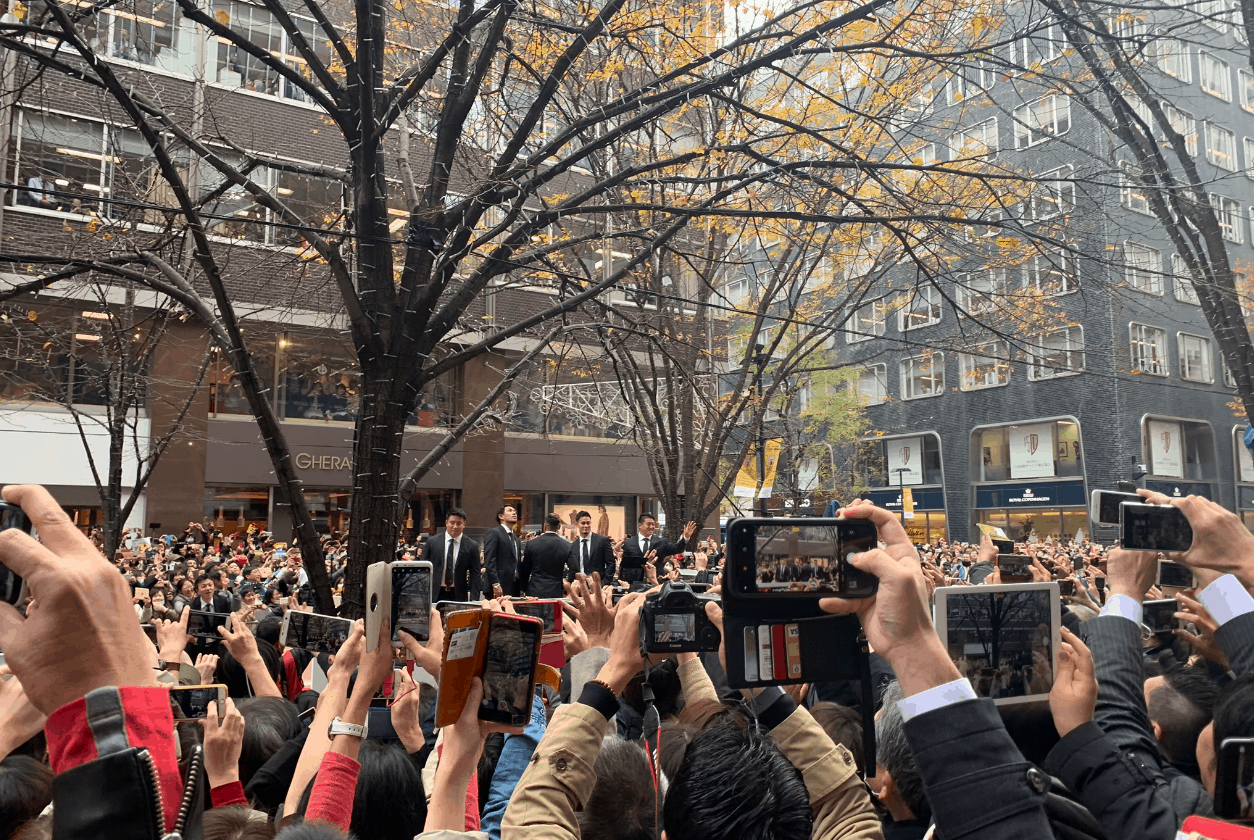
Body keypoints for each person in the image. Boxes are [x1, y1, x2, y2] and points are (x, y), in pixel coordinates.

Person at [420, 507, 481, 603]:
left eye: (459, 523)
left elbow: (475, 574)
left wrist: (474, 600)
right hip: (435, 593)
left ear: (464, 524)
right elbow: (423, 569)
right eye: (452, 523)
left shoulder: (471, 545)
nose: (455, 527)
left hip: (458, 594)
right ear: (446, 523)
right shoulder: (432, 542)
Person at [618, 513, 697, 585]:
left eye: (653, 524)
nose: (652, 527)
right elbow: (626, 566)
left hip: (657, 581)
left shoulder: (661, 542)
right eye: (648, 524)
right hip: (635, 582)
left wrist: (686, 537)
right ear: (640, 525)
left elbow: (677, 549)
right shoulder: (629, 543)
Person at [518, 513, 569, 598]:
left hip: (535, 589)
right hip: (555, 590)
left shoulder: (532, 544)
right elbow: (573, 568)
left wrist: (523, 588)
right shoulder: (566, 545)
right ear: (559, 527)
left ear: (545, 526)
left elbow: (525, 570)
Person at [484, 504, 522, 598]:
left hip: (514, 586)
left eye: (515, 512)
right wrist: (495, 583)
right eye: (510, 510)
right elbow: (490, 560)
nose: (514, 513)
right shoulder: (494, 533)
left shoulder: (516, 539)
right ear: (501, 516)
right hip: (498, 585)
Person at [564, 510, 613, 583]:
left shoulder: (602, 541)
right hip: (579, 584)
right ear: (577, 524)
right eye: (583, 523)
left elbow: (611, 563)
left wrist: (605, 582)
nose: (586, 526)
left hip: (598, 584)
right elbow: (572, 568)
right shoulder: (573, 546)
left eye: (588, 523)